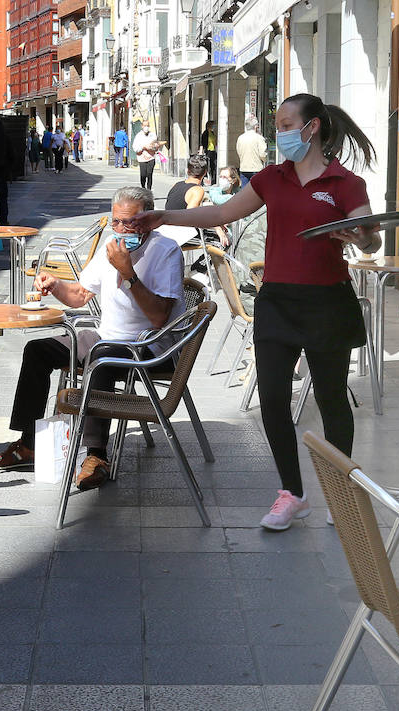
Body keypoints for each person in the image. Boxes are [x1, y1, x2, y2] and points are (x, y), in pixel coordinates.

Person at [132, 92, 382, 531]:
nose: (280, 133)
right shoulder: (271, 178)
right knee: (272, 401)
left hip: (327, 303)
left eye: (287, 125)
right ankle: (292, 493)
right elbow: (223, 210)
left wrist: (360, 237)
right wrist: (165, 217)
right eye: (279, 125)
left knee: (331, 398)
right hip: (278, 302)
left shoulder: (346, 183)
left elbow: (371, 239)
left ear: (313, 127)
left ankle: (341, 492)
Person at [0, 186, 184, 490]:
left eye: (130, 223)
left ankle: (97, 455)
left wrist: (129, 273)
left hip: (149, 346)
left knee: (102, 356)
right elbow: (81, 295)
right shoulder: (111, 243)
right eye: (116, 222)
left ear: (147, 220)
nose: (122, 229)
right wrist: (55, 285)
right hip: (105, 335)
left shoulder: (166, 251)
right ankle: (29, 442)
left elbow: (160, 316)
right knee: (37, 350)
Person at [236, 115, 267, 187]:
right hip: (256, 168)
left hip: (243, 168)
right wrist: (265, 160)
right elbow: (263, 154)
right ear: (256, 127)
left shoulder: (240, 138)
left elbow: (238, 151)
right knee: (256, 191)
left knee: (244, 191)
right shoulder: (259, 138)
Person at [132, 124, 164, 191]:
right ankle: (143, 188)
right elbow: (135, 147)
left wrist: (154, 147)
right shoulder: (138, 136)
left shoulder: (153, 135)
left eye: (147, 125)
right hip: (142, 158)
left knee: (149, 174)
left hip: (151, 157)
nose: (146, 127)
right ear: (142, 126)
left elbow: (156, 145)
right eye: (145, 125)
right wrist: (143, 147)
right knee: (143, 174)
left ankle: (149, 190)